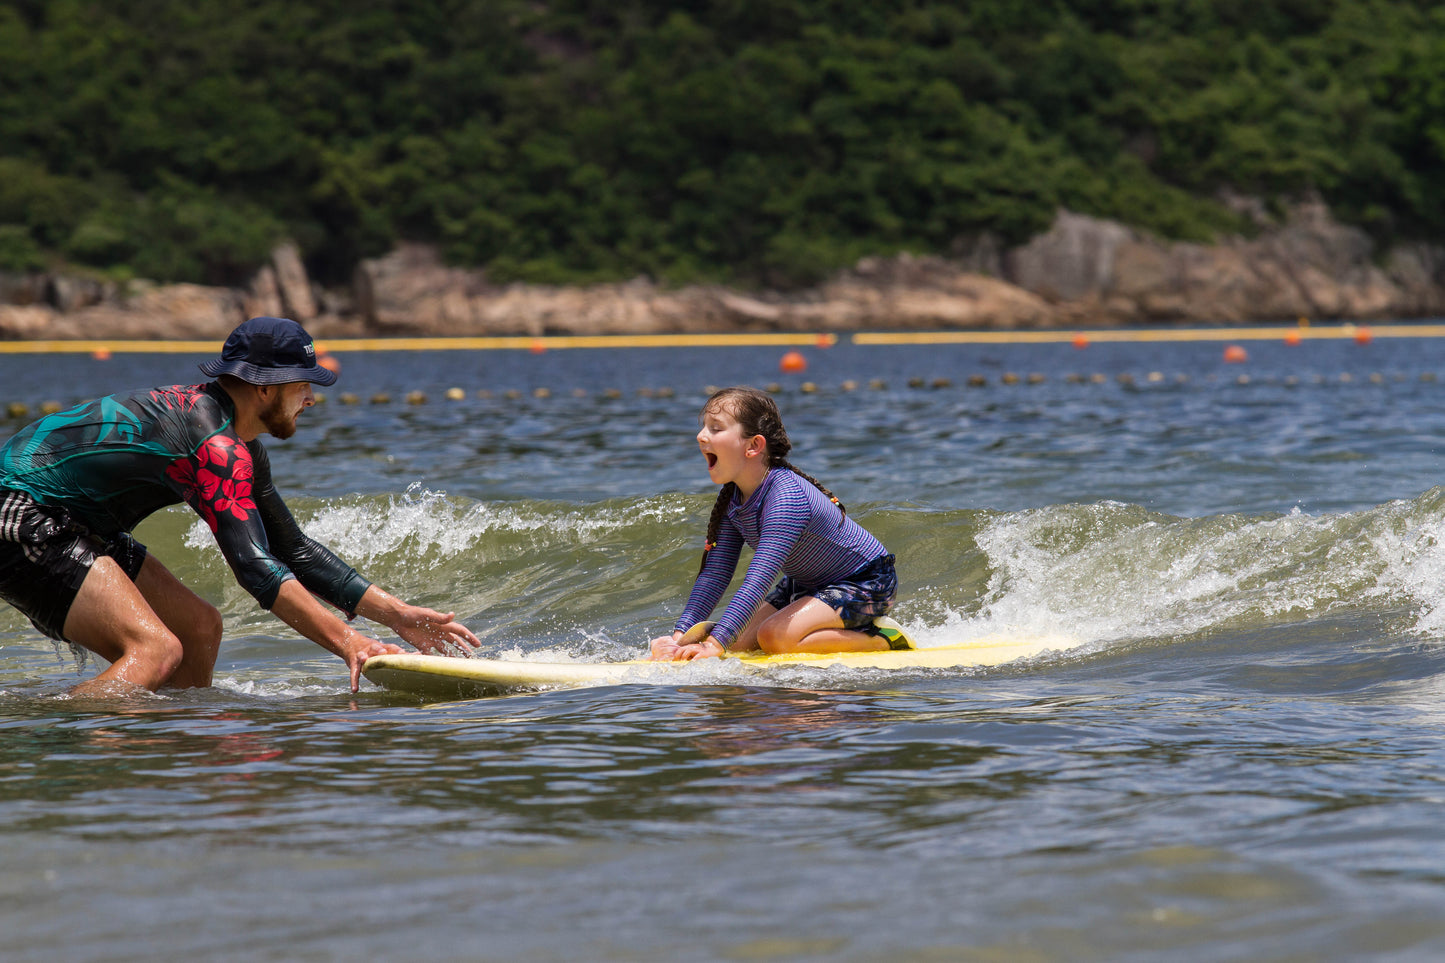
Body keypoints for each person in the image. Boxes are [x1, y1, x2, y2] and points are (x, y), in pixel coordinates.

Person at [0, 316, 479, 695]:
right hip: (18, 513)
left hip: (74, 521)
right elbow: (254, 568)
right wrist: (348, 642)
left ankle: (169, 742)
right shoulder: (214, 446)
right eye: (302, 386)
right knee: (155, 649)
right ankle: (53, 731)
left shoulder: (238, 444)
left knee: (199, 628)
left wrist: (395, 614)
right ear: (265, 388)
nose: (311, 399)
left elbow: (290, 548)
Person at [650, 385, 909, 661]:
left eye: (716, 428)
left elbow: (759, 578)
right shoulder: (733, 498)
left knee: (773, 638)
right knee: (737, 644)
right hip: (804, 585)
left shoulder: (786, 497)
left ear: (754, 446)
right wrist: (679, 638)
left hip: (865, 582)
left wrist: (713, 645)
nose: (701, 436)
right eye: (704, 427)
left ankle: (883, 639)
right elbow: (715, 575)